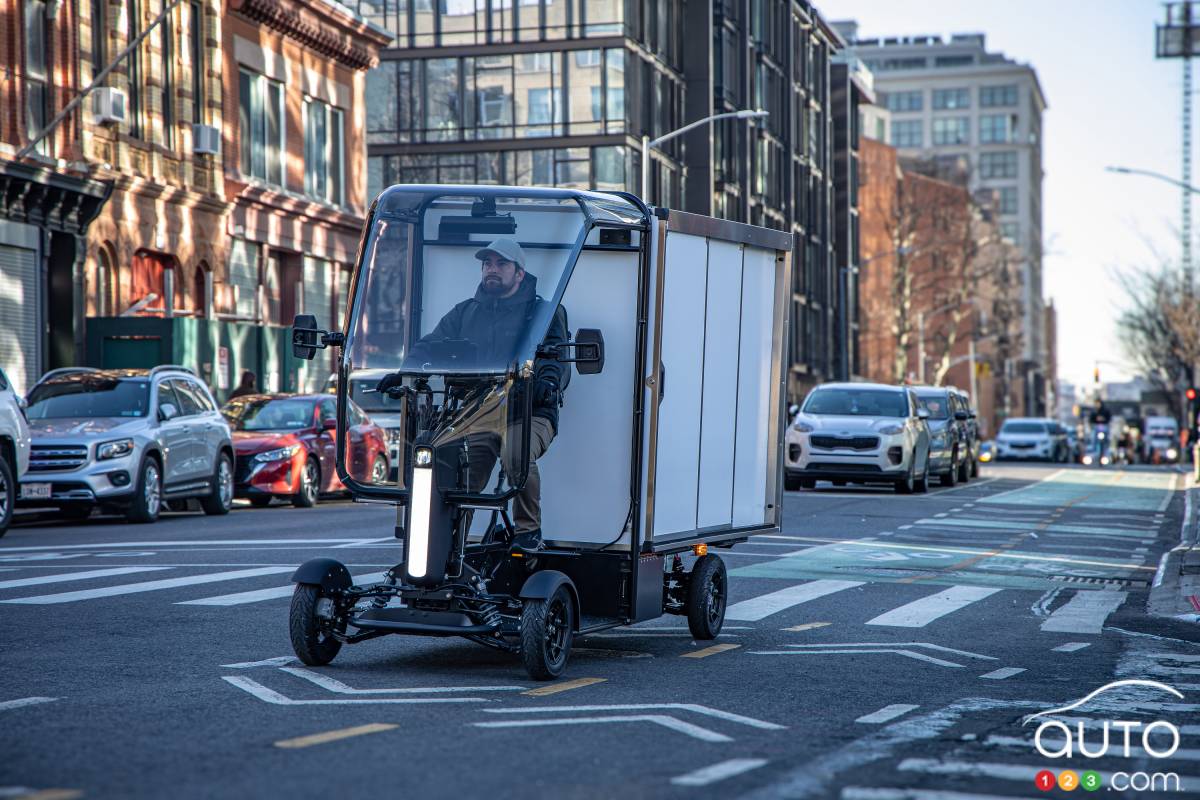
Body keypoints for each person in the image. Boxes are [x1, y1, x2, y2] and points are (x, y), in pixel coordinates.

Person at [405, 238, 567, 550]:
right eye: (487, 264)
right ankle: (448, 550)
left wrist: (548, 384)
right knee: (461, 476)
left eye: (501, 264)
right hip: (481, 411)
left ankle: (528, 534)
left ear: (519, 273)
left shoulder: (543, 312)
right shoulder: (466, 312)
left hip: (530, 412)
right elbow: (431, 344)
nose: (492, 269)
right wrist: (404, 370)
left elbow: (554, 359)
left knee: (514, 454)